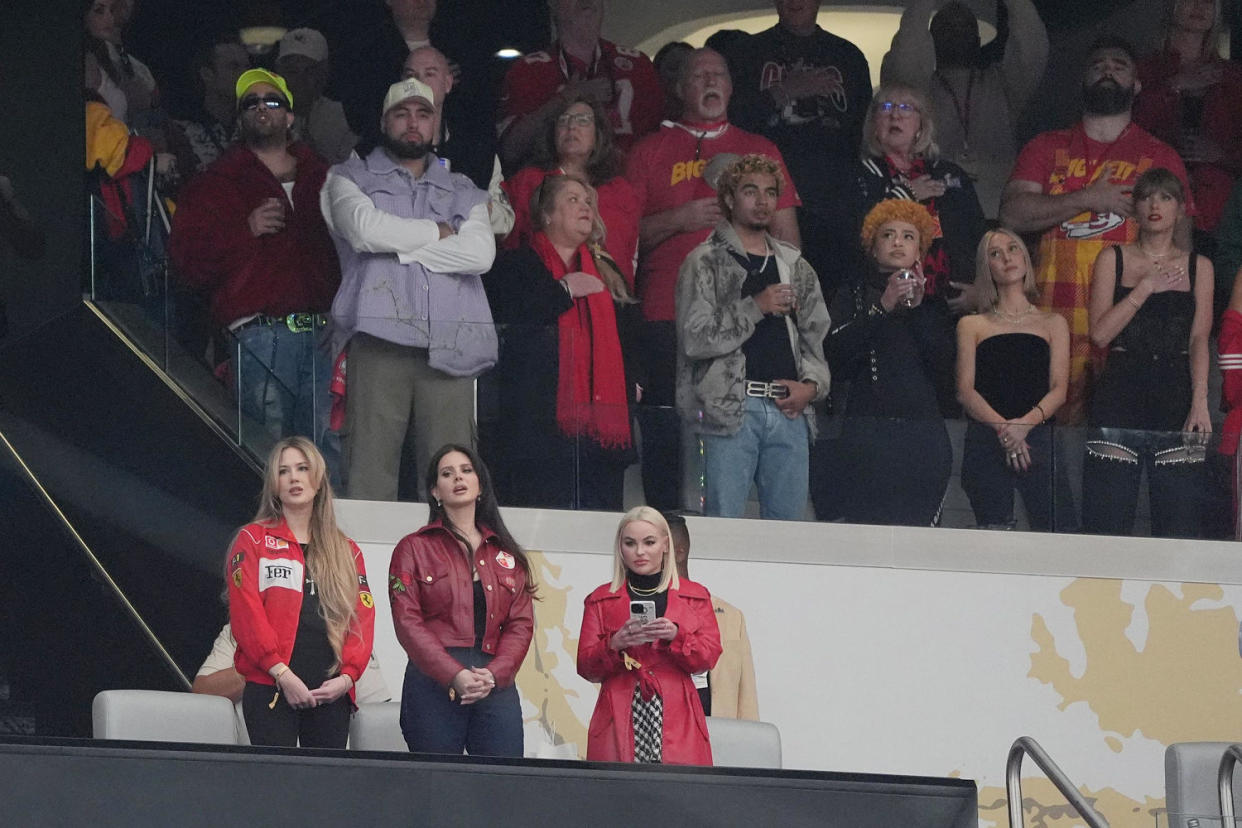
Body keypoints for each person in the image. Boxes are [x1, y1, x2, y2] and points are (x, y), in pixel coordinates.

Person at [626, 47, 801, 509]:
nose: (710, 82)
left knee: (743, 426)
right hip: (668, 312)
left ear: (731, 87)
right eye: (699, 75)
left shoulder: (760, 149)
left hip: (751, 314)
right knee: (668, 429)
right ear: (681, 88)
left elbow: (789, 243)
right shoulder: (648, 150)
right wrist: (678, 218)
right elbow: (622, 242)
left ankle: (731, 536)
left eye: (719, 74)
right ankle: (667, 530)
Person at [999, 35, 1193, 425]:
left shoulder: (1161, 156)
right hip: (1053, 318)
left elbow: (1184, 253)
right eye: (1098, 65)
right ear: (1082, 81)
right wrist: (1089, 197)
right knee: (1053, 447)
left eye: (1119, 66)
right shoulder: (1045, 147)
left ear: (1137, 85)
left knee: (1119, 446)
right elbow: (1012, 215)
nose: (1107, 70)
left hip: (1132, 327)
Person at [320, 78, 496, 501]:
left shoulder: (464, 187)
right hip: (380, 339)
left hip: (452, 344)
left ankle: (449, 567)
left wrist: (399, 249)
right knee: (369, 471)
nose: (413, 123)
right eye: (402, 114)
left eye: (423, 114)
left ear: (437, 124)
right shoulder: (349, 176)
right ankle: (363, 568)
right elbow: (363, 231)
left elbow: (480, 255)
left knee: (453, 480)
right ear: (384, 122)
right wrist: (437, 233)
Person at [170, 69, 340, 449]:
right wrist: (244, 230)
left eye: (273, 100)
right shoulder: (215, 183)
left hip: (326, 334)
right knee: (267, 458)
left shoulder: (326, 177)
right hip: (260, 335)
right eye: (251, 102)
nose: (262, 106)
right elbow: (185, 263)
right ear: (241, 117)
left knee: (329, 458)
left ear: (290, 116)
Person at [677, 153, 830, 520]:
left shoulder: (794, 265)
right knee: (721, 527)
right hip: (728, 409)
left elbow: (816, 337)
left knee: (787, 537)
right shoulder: (705, 260)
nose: (762, 201)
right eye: (750, 191)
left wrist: (812, 386)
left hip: (788, 409)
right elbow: (695, 339)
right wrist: (755, 307)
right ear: (729, 199)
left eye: (770, 192)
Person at [482, 174, 637, 509]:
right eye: (572, 199)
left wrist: (635, 380)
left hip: (600, 435)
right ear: (547, 215)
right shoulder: (517, 264)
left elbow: (630, 335)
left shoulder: (606, 268)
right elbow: (513, 318)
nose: (585, 207)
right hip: (536, 429)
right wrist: (564, 290)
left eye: (588, 202)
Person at [1082, 168, 1213, 537]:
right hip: (1122, 384)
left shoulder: (1198, 266)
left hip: (1175, 387)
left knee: (1179, 521)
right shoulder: (1113, 258)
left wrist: (1200, 400)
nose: (1155, 205)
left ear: (1180, 209)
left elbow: (1199, 338)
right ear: (1135, 208)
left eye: (1166, 197)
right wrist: (1145, 289)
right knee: (1107, 517)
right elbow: (1100, 334)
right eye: (1146, 197)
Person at [225, 436, 375, 748]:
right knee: (276, 791)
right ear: (274, 485)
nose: (294, 477)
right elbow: (246, 615)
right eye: (284, 471)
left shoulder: (347, 550)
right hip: (271, 687)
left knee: (323, 793)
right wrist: (283, 675)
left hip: (331, 692)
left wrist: (347, 678)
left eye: (302, 468)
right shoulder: (252, 540)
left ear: (318, 480)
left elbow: (361, 619)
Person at [716, 0, 872, 299]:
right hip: (764, 201)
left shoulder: (847, 55)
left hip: (835, 204)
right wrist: (786, 90)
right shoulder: (747, 52)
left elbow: (863, 134)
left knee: (835, 299)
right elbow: (730, 121)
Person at [388, 445, 536, 756]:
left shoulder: (505, 552)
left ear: (480, 485)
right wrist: (454, 674)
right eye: (447, 473)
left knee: (503, 784)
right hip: (433, 679)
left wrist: (495, 674)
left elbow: (520, 625)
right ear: (435, 491)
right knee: (438, 787)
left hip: (493, 678)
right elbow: (407, 622)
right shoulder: (413, 548)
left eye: (466, 470)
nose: (458, 477)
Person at [820, 199, 954, 526]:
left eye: (908, 236)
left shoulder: (935, 306)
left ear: (919, 251)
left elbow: (946, 374)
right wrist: (884, 305)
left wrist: (918, 309)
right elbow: (835, 356)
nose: (897, 242)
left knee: (919, 535)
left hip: (923, 438)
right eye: (888, 235)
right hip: (866, 436)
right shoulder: (852, 293)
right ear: (873, 247)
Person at [577, 507, 721, 764]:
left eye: (649, 542)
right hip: (619, 708)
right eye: (630, 543)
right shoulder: (600, 599)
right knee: (617, 797)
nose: (640, 552)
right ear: (620, 548)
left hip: (677, 712)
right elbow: (586, 667)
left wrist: (676, 636)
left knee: (679, 796)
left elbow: (707, 659)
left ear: (666, 545)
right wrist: (614, 645)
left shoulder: (694, 596)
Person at [882, 0, 1049, 219]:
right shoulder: (918, 92)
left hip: (999, 214)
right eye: (947, 28)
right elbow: (906, 53)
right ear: (931, 38)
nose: (955, 34)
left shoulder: (1003, 83)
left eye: (964, 28)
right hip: (935, 212)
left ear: (978, 40)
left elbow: (1030, 43)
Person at [955, 229, 1073, 530]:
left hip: (1038, 434)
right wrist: (1005, 431)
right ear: (987, 267)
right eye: (995, 253)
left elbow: (1060, 389)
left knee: (1054, 530)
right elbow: (965, 391)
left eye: (1013, 248)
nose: (1006, 257)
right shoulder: (971, 324)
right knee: (994, 533)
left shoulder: (1053, 322)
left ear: (1025, 257)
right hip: (987, 436)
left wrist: (1023, 426)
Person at [852, 83, 985, 314]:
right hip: (890, 305)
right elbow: (859, 232)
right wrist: (907, 194)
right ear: (874, 125)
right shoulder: (860, 174)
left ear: (921, 126)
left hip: (954, 305)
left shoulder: (948, 174)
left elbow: (980, 236)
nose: (895, 114)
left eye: (905, 107)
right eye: (885, 107)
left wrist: (982, 290)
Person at [497, 0, 662, 168]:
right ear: (553, 4)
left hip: (627, 189)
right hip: (557, 190)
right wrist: (566, 99)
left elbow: (664, 147)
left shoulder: (637, 66)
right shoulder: (529, 71)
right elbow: (510, 150)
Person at [502, 96, 640, 289]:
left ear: (598, 134)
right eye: (563, 120)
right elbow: (509, 245)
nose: (571, 127)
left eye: (583, 120)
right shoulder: (529, 181)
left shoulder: (620, 191)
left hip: (608, 303)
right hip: (544, 296)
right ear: (553, 133)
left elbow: (629, 256)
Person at [1133, 0, 1242, 246]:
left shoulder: (1232, 77)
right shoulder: (1145, 70)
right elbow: (1123, 130)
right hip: (1150, 199)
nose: (1200, 6)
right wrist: (1175, 86)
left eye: (1209, 1)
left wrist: (1220, 154)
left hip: (1216, 211)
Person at [402, 46, 512, 237]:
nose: (418, 82)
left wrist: (470, 205)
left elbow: (505, 221)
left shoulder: (477, 149)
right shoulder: (377, 149)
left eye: (429, 74)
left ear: (447, 83)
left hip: (463, 259)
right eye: (411, 75)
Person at [665, 512, 758, 721]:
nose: (643, 554)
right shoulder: (636, 609)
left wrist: (747, 744)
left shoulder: (730, 616)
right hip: (660, 733)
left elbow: (747, 695)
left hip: (719, 737)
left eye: (652, 545)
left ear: (679, 553)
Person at [193, 623, 391, 705]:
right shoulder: (240, 629)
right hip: (259, 764)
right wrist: (269, 662)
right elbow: (203, 694)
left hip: (333, 768)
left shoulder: (347, 633)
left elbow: (376, 722)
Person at [170, 33, 249, 177]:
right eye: (234, 67)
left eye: (246, 67)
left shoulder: (256, 126)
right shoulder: (181, 131)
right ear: (207, 74)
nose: (245, 75)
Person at [276, 28, 359, 165]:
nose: (300, 79)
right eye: (292, 71)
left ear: (323, 74)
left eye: (309, 70)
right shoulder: (263, 111)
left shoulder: (341, 117)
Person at [84, 0, 158, 126]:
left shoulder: (110, 56)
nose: (109, 18)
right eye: (99, 10)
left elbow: (153, 98)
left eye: (111, 10)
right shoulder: (86, 61)